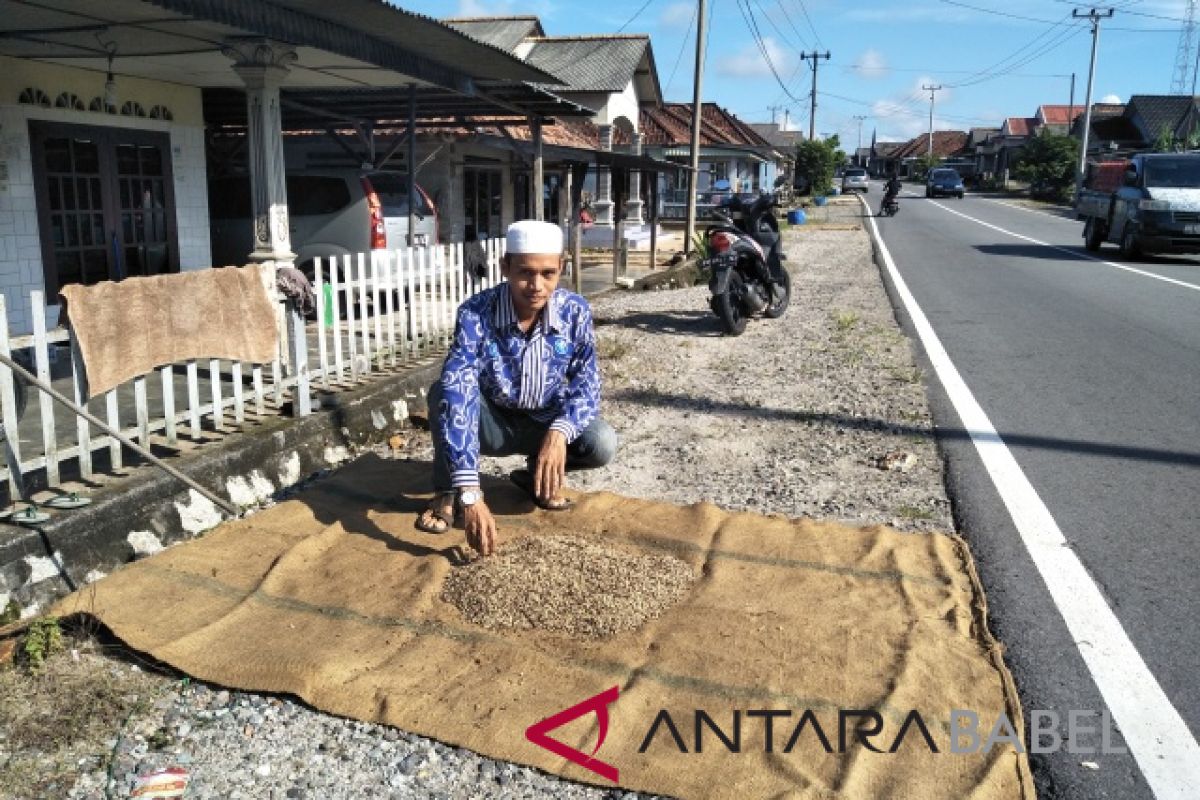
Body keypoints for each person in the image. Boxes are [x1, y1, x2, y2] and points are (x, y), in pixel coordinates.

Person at [415, 220, 617, 555]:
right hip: (491, 423)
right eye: (525, 272)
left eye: (548, 274)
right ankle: (447, 490)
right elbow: (459, 391)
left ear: (561, 269)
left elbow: (587, 382)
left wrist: (559, 433)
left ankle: (533, 474)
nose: (536, 285)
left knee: (602, 442)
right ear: (505, 266)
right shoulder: (475, 314)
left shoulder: (575, 312)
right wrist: (471, 494)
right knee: (443, 395)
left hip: (544, 422)